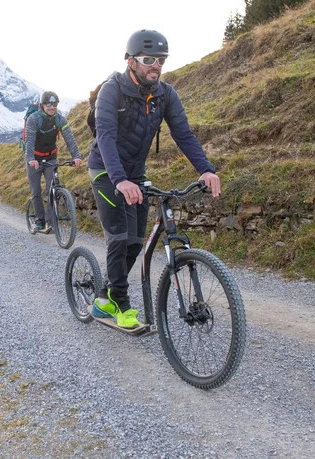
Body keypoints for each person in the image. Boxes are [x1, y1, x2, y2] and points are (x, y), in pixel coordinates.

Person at [88, 29, 221, 329]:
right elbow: (106, 137)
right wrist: (120, 180)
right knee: (120, 237)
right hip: (106, 171)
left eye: (161, 60)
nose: (156, 66)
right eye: (149, 59)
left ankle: (104, 298)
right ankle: (121, 305)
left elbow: (183, 134)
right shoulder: (112, 91)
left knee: (136, 242)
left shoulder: (165, 94)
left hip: (135, 173)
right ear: (130, 60)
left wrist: (206, 169)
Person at [24, 91, 82, 232]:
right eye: (49, 104)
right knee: (36, 191)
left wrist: (76, 156)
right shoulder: (33, 119)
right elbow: (29, 141)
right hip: (34, 159)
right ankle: (39, 220)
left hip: (51, 158)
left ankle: (50, 222)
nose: (52, 107)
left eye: (54, 104)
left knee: (52, 188)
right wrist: (31, 159)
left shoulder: (60, 119)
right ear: (42, 105)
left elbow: (70, 139)